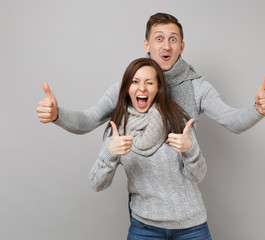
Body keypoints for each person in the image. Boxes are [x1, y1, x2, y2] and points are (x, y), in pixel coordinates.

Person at [36, 12, 265, 135]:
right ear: (147, 45)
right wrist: (58, 114)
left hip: (186, 205)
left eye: (173, 40)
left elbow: (232, 121)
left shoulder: (197, 86)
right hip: (143, 207)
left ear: (181, 47)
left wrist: (257, 110)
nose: (166, 46)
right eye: (159, 39)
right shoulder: (130, 85)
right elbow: (89, 120)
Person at [89, 57, 212, 239]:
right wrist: (110, 153)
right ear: (127, 88)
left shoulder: (178, 120)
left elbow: (199, 175)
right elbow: (97, 183)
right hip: (145, 229)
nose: (142, 88)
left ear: (158, 88)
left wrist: (190, 149)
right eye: (135, 82)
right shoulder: (118, 130)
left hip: (191, 228)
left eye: (149, 82)